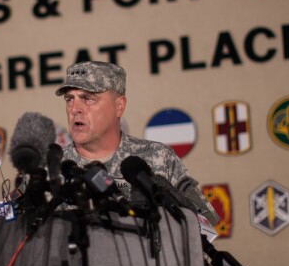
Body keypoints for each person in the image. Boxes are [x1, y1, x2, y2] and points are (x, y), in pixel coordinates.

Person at [55, 60, 220, 226]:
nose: (75, 108)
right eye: (69, 99)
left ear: (119, 106)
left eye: (88, 99)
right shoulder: (50, 170)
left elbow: (204, 227)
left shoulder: (158, 158)